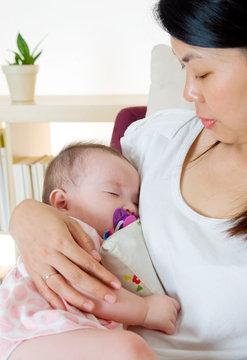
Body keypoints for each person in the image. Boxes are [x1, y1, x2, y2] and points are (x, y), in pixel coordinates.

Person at [6, 0, 247, 358]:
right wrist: (25, 214)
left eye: (203, 73)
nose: (188, 93)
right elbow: (78, 193)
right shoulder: (153, 142)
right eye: (183, 70)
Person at [0, 142, 179, 360]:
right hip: (29, 336)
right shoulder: (68, 231)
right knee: (128, 349)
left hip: (49, 337)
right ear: (62, 203)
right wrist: (145, 310)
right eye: (113, 193)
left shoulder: (106, 243)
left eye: (135, 200)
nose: (131, 208)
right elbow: (84, 288)